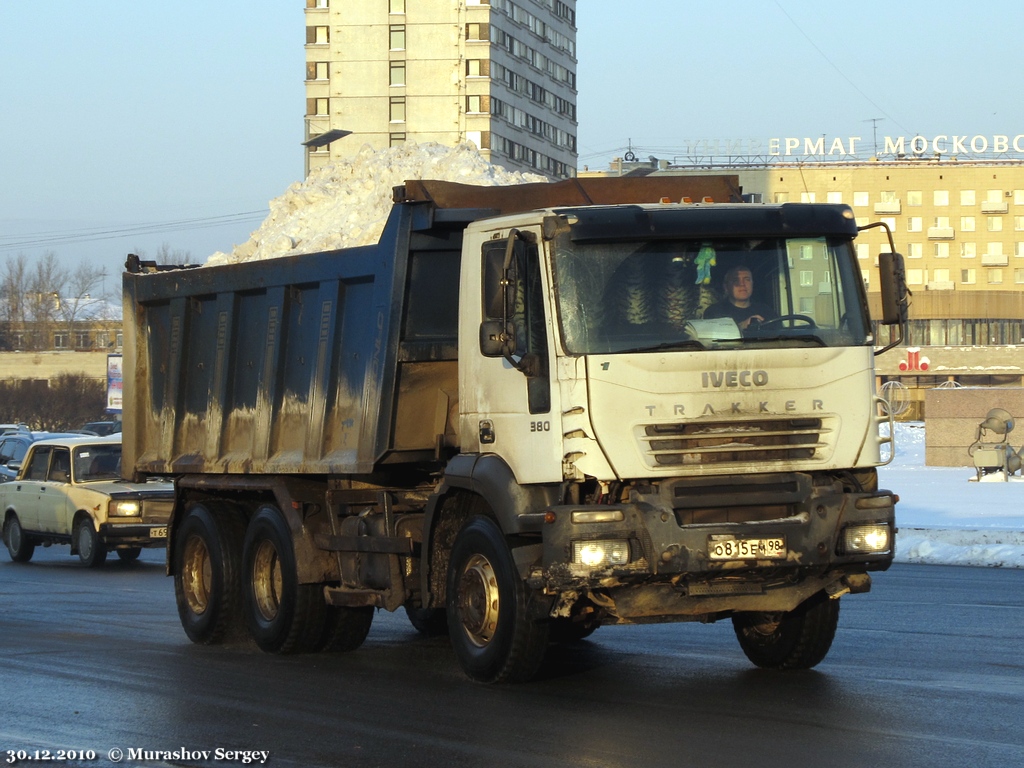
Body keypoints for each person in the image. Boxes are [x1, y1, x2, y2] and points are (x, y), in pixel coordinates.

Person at [702, 266, 774, 330]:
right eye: (736, 280)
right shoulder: (714, 312)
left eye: (747, 279)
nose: (742, 284)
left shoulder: (766, 311)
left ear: (752, 284)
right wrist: (740, 326)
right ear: (726, 287)